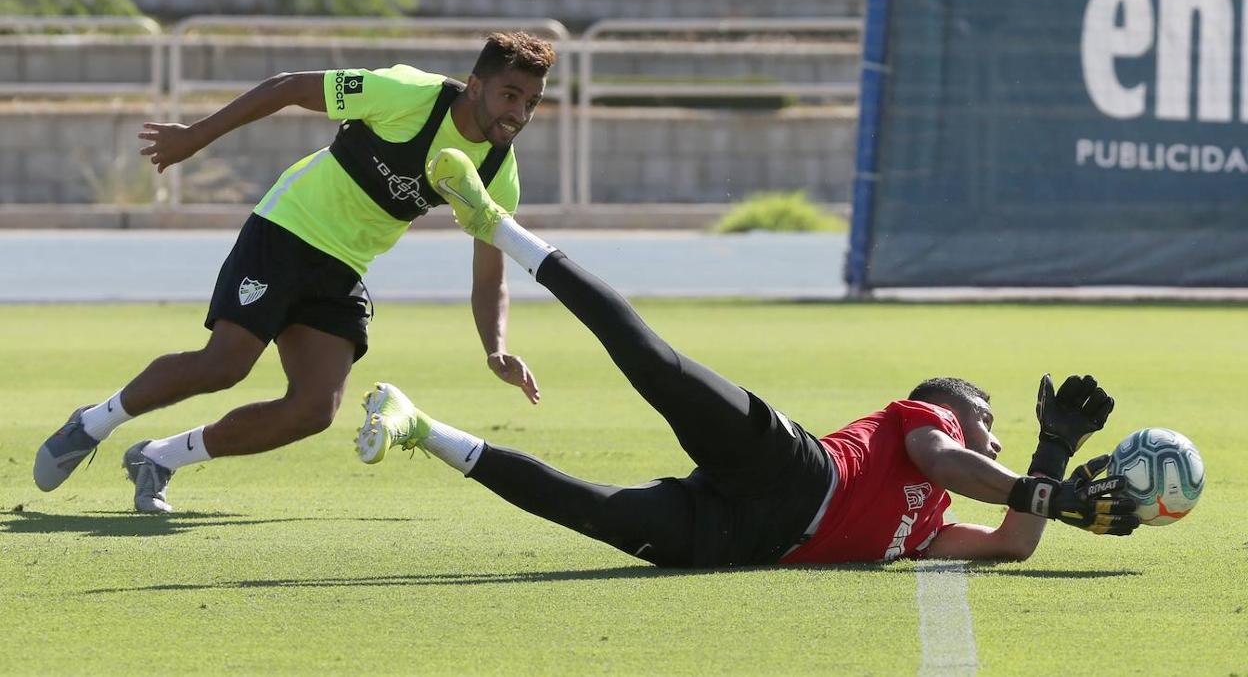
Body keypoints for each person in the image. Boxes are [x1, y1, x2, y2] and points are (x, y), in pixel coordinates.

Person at [353, 152, 1140, 567]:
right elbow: (950, 461)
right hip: (791, 468)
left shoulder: (927, 528)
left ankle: (421, 427)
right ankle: (498, 224)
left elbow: (1011, 542)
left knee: (591, 510)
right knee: (656, 366)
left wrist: (1055, 456)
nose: (992, 438)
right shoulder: (926, 424)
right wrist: (1046, 491)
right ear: (951, 406)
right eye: (990, 422)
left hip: (746, 540)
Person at [33, 32, 554, 513]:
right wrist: (194, 138)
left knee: (314, 409)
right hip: (287, 228)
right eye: (510, 95)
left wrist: (495, 347)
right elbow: (286, 88)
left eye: (531, 102)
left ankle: (160, 457)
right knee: (226, 364)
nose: (520, 113)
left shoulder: (498, 174)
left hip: (344, 265)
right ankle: (92, 424)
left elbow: (490, 276)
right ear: (476, 84)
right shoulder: (408, 94)